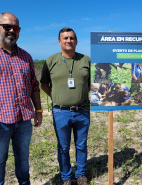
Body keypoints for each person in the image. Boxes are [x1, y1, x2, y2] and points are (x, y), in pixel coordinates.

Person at [0, 12, 42, 185]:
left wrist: (38, 110)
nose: (11, 31)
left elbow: (34, 86)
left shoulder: (26, 56)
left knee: (23, 159)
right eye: (7, 27)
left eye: (15, 27)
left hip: (23, 120)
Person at [40, 27, 90, 185]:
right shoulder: (51, 61)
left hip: (82, 110)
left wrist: (79, 96)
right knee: (63, 147)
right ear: (59, 41)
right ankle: (67, 177)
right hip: (61, 112)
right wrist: (58, 98)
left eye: (72, 38)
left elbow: (90, 84)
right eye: (65, 38)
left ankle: (81, 175)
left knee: (81, 145)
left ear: (76, 41)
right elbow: (44, 85)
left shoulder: (86, 60)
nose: (69, 41)